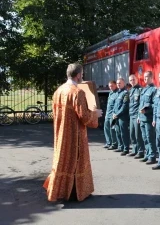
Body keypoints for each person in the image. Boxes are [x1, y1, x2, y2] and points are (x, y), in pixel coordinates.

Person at [43, 62, 103, 202]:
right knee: (77, 162)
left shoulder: (59, 90)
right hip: (75, 136)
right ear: (77, 75)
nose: (82, 76)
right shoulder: (78, 92)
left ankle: (60, 191)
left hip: (61, 134)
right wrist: (96, 114)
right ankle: (76, 193)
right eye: (82, 74)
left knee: (62, 161)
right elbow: (85, 117)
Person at [138, 71, 157, 165]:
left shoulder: (154, 90)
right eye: (144, 77)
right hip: (142, 118)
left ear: (151, 77)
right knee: (144, 138)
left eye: (147, 77)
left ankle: (152, 156)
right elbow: (140, 104)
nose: (145, 78)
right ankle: (147, 154)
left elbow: (155, 104)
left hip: (148, 118)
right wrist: (139, 116)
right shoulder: (144, 89)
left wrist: (146, 110)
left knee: (150, 138)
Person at [127, 75, 145, 158]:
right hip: (131, 115)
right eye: (130, 80)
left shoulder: (140, 90)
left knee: (138, 135)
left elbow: (141, 104)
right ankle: (134, 150)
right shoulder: (130, 90)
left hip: (137, 115)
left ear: (137, 80)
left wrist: (139, 116)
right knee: (132, 134)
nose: (132, 81)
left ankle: (140, 151)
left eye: (133, 79)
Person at [113, 78, 130, 155]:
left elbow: (124, 106)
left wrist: (117, 114)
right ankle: (120, 146)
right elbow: (115, 105)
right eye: (117, 83)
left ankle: (126, 148)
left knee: (124, 133)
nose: (118, 84)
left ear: (124, 83)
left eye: (120, 83)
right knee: (118, 132)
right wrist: (114, 113)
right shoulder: (117, 93)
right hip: (116, 116)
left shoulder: (126, 93)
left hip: (123, 116)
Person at [103, 80, 118, 149]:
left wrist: (114, 114)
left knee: (112, 129)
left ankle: (114, 143)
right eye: (109, 86)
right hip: (108, 114)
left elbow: (116, 105)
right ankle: (108, 142)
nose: (111, 87)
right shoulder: (110, 93)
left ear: (115, 85)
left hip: (112, 114)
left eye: (112, 86)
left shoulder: (117, 93)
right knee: (106, 128)